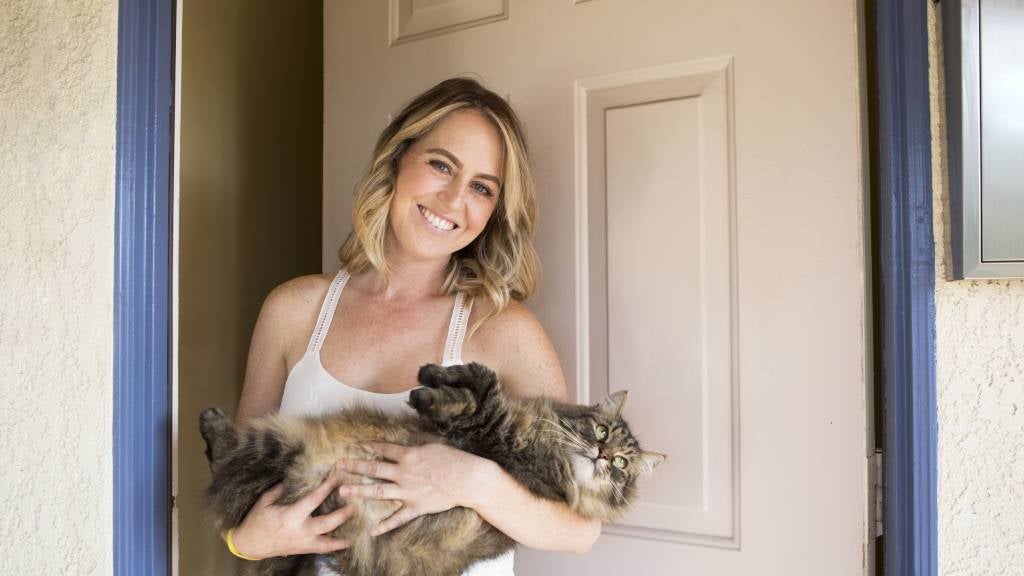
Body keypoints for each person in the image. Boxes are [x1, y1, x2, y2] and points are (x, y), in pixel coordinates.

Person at [227, 77, 602, 575]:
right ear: (398, 159)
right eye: (441, 164)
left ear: (493, 211)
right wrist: (246, 542)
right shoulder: (293, 311)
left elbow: (578, 529)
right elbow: (238, 481)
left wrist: (471, 481)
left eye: (481, 187)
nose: (452, 200)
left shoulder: (505, 332)